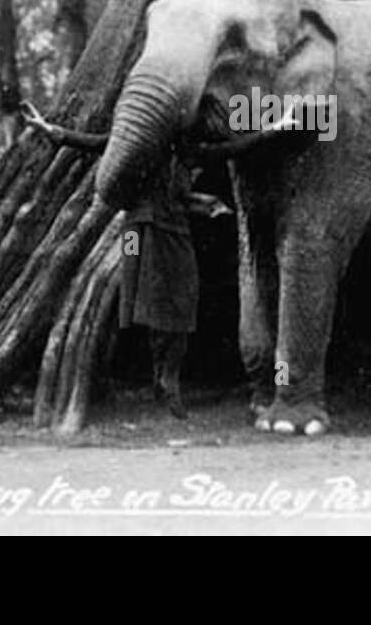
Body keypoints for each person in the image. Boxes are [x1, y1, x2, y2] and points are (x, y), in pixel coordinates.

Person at [20, 101, 229, 418]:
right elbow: (97, 143)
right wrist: (52, 132)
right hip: (140, 230)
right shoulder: (142, 143)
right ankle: (157, 379)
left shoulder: (190, 153)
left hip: (177, 233)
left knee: (183, 305)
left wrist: (275, 128)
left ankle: (166, 375)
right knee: (145, 302)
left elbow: (234, 149)